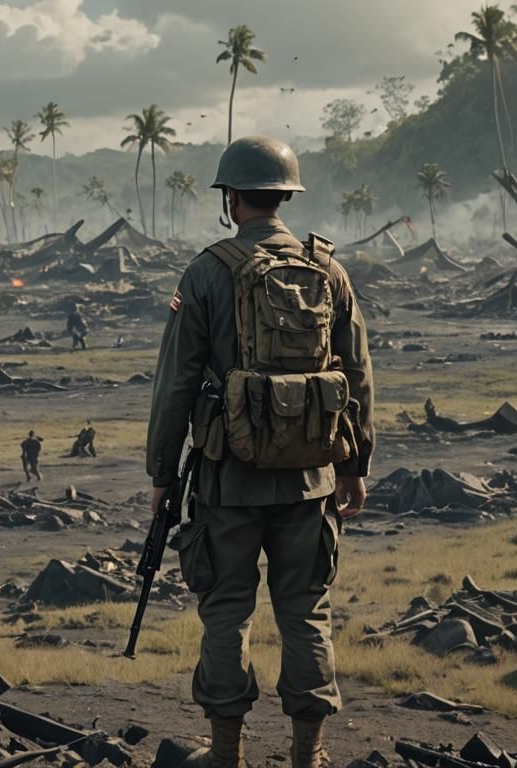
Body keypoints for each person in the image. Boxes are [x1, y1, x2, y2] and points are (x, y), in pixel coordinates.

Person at [146, 136, 375, 768]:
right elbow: (356, 376)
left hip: (227, 479)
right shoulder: (328, 270)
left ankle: (226, 756)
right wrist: (355, 467)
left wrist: (163, 474)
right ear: (285, 195)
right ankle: (309, 755)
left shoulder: (206, 272)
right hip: (310, 480)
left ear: (231, 198)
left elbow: (176, 385)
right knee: (307, 614)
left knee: (226, 613)